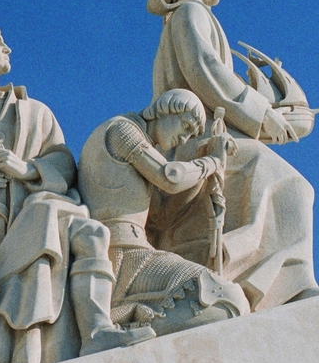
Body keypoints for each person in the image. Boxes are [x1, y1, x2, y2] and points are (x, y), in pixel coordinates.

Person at [0, 24, 153, 363]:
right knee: (46, 224)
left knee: (86, 231)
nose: (8, 48)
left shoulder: (37, 112)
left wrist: (26, 168)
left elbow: (62, 161)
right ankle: (28, 357)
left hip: (32, 219)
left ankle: (97, 330)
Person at [148, 0, 318, 309]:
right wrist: (264, 117)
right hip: (196, 143)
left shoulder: (197, 18)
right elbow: (208, 74)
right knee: (290, 184)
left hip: (215, 137)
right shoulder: (189, 14)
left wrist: (273, 112)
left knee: (291, 184)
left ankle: (280, 278)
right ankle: (279, 281)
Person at [79, 89, 249, 332]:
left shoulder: (138, 152)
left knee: (228, 301)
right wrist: (213, 161)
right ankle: (127, 323)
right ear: (165, 110)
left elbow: (163, 216)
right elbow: (170, 177)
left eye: (191, 134)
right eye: (186, 125)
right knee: (227, 299)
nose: (184, 138)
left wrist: (205, 176)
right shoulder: (122, 130)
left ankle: (131, 320)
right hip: (122, 256)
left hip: (133, 253)